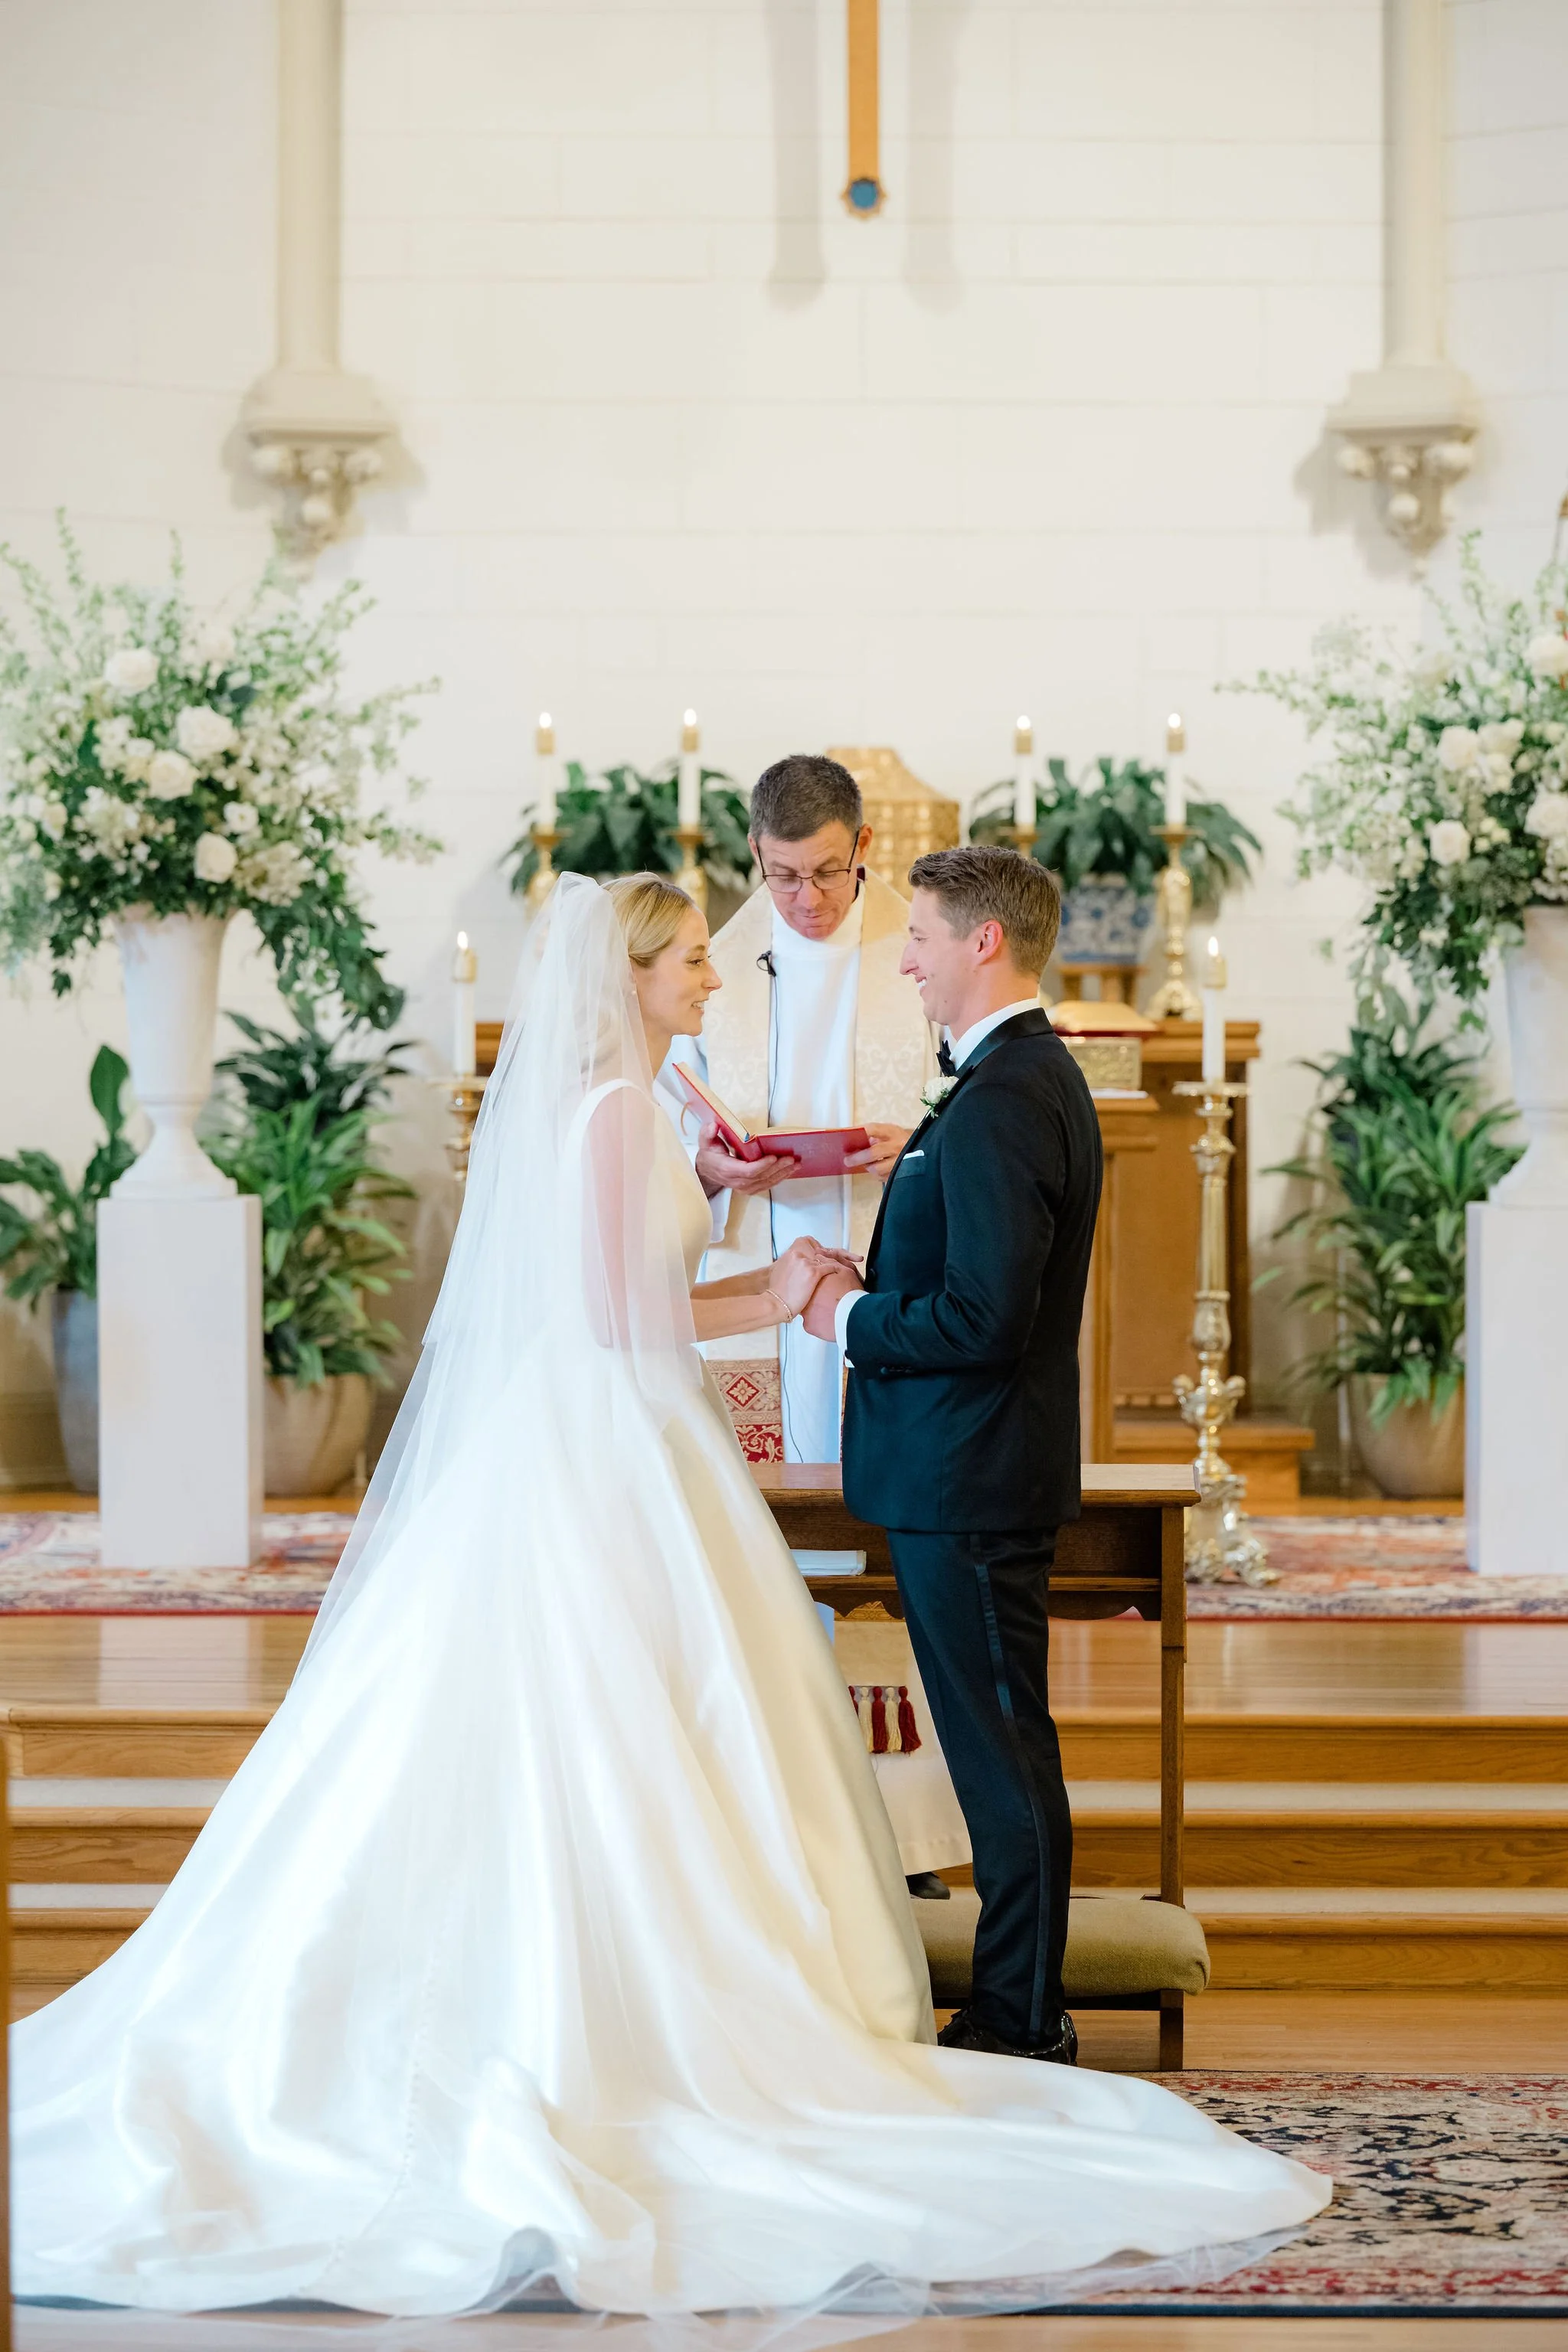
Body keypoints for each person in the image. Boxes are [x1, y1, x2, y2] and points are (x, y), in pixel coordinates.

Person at [10, 872, 1328, 2321]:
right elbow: (613, 1311)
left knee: (628, 1731)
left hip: (612, 1438)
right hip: (620, 1445)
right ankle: (684, 2022)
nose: (715, 976)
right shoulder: (626, 1115)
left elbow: (610, 1286)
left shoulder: (634, 1119)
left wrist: (745, 1239)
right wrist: (783, 1297)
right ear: (629, 975)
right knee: (644, 1724)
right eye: (694, 959)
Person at [804, 845, 1099, 2065]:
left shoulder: (1008, 1096)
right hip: (965, 1473)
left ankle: (1021, 2020)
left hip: (968, 1479)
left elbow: (988, 1320)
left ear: (985, 943)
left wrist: (847, 1321)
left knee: (1001, 1754)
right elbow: (974, 1282)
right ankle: (1017, 2005)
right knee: (1001, 1746)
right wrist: (866, 1280)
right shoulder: (1006, 1083)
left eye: (920, 934)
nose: (907, 957)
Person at [664, 753, 970, 1897]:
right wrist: (708, 1164)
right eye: (784, 875)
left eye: (828, 874)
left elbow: (963, 1093)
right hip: (755, 1292)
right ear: (756, 854)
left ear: (866, 852)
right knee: (763, 1557)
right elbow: (667, 1121)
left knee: (879, 1561)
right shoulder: (718, 968)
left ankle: (905, 1839)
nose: (806, 900)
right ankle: (771, 1828)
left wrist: (916, 1143)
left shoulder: (918, 951)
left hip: (881, 1287)